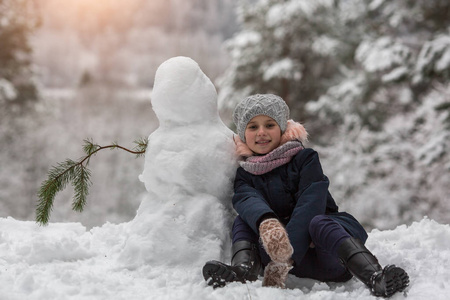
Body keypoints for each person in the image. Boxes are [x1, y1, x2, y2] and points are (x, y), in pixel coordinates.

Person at [202, 94, 409, 298]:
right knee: (244, 219)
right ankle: (242, 271)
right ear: (243, 134)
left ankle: (375, 277)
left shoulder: (304, 159)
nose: (262, 132)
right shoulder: (245, 174)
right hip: (279, 259)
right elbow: (246, 199)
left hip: (327, 254)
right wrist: (268, 224)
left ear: (282, 128)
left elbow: (312, 201)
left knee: (319, 222)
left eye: (270, 125)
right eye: (253, 127)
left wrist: (284, 257)